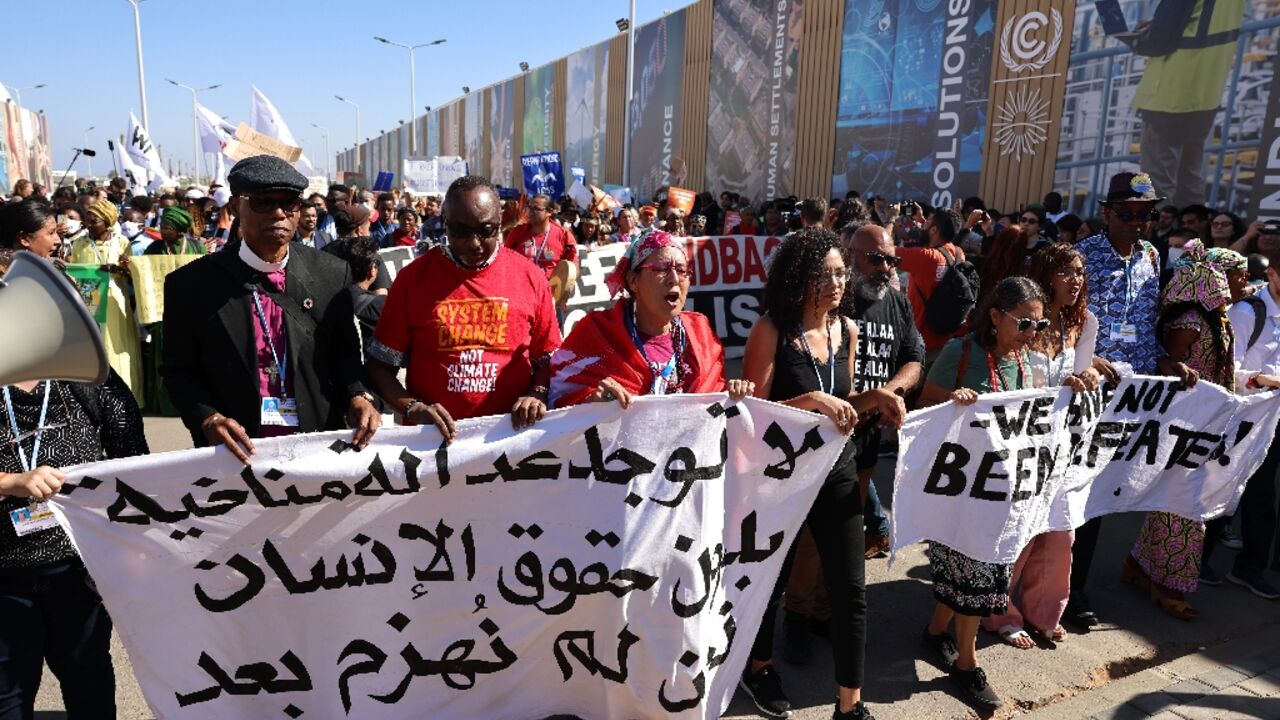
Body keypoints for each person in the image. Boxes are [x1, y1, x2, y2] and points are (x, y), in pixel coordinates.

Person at [738, 228, 908, 720]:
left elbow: (844, 408)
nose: (836, 283)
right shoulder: (771, 330)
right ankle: (759, 667)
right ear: (798, 277)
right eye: (824, 274)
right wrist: (812, 401)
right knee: (772, 580)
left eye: (840, 273)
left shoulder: (846, 330)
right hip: (780, 477)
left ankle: (849, 705)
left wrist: (872, 399)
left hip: (836, 469)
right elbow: (752, 413)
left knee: (850, 589)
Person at [161, 155, 380, 463]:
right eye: (263, 202)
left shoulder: (332, 274)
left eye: (290, 203)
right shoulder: (190, 285)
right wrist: (207, 419)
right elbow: (178, 372)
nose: (279, 213)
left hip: (315, 449)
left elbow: (344, 355)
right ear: (236, 207)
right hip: (237, 454)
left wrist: (358, 395)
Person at [917, 276, 1053, 710]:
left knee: (974, 573)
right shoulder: (961, 353)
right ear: (994, 316)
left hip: (1002, 491)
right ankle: (967, 664)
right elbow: (924, 405)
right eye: (1024, 323)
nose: (1032, 333)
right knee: (973, 574)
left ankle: (937, 634)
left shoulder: (1029, 364)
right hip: (960, 488)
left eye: (1039, 324)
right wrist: (953, 401)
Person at [0, 337, 147, 717]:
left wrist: (130, 549)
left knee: (88, 676)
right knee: (8, 691)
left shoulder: (85, 372)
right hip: (4, 569)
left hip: (79, 565)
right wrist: (11, 482)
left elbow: (133, 459)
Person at [366, 175, 561, 438]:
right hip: (433, 446)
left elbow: (549, 361)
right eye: (460, 231)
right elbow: (380, 367)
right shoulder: (413, 280)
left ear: (501, 222)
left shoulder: (530, 277)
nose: (474, 243)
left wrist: (536, 393)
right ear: (444, 225)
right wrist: (414, 408)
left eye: (486, 230)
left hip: (511, 443)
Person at [977, 245, 1101, 650]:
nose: (1075, 279)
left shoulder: (1085, 323)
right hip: (1019, 443)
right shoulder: (1024, 320)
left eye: (1080, 271)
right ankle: (1000, 615)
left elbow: (1081, 370)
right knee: (1019, 534)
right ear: (1046, 276)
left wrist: (1087, 378)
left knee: (1060, 533)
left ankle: (1044, 613)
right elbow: (1005, 367)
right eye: (1065, 270)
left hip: (1062, 444)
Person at [1122, 240, 1240, 619]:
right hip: (1185, 425)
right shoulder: (1190, 322)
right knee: (1187, 505)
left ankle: (1141, 567)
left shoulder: (1218, 317)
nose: (1244, 282)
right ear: (1217, 277)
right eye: (1239, 275)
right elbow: (1168, 368)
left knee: (1181, 503)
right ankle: (1170, 584)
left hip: (1207, 423)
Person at [549, 231, 745, 406]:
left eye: (682, 269)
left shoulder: (700, 330)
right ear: (633, 280)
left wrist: (733, 392)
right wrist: (592, 400)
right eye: (661, 268)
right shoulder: (597, 332)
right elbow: (557, 395)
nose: (674, 278)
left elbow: (715, 394)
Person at [1128, 0, 1244, 207]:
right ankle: (1193, 234)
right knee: (1190, 179)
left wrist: (1137, 39)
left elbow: (1158, 42)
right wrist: (1160, 24)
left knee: (1157, 185)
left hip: (1171, 92)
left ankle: (1158, 238)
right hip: (1206, 91)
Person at [1222, 244, 1280, 599]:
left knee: (1263, 495)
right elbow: (1229, 370)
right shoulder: (1247, 312)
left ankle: (1250, 568)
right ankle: (1192, 565)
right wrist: (1266, 381)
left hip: (1275, 417)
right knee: (1226, 487)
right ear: (1272, 274)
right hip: (1246, 416)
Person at [68, 199, 145, 407]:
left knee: (117, 344)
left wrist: (120, 269)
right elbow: (73, 271)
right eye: (88, 220)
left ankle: (124, 397)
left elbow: (133, 273)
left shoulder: (121, 243)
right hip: (89, 296)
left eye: (95, 221)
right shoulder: (79, 244)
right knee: (95, 343)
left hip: (115, 299)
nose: (89, 224)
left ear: (108, 221)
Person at [896, 208, 968, 361]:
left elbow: (884, 250)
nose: (923, 225)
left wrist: (890, 220)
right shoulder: (958, 253)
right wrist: (925, 221)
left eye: (926, 222)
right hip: (948, 340)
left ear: (934, 229)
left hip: (920, 344)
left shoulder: (925, 257)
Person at [504, 194, 577, 281]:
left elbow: (573, 267)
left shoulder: (564, 236)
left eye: (536, 209)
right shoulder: (517, 233)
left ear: (549, 212)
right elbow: (505, 260)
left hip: (549, 290)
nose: (530, 212)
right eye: (529, 207)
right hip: (522, 288)